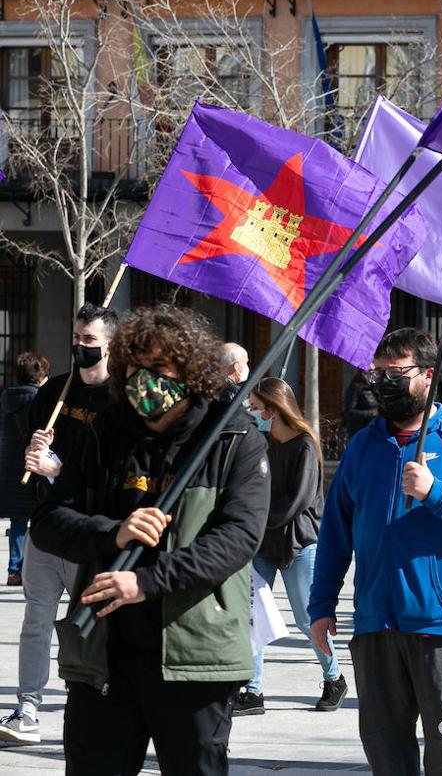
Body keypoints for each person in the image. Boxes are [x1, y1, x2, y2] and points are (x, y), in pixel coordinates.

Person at [26, 304, 269, 773]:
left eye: (160, 369)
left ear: (191, 371)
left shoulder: (233, 438)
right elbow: (49, 519)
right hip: (103, 655)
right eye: (135, 369)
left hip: (193, 657)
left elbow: (238, 539)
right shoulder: (104, 432)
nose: (146, 381)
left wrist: (147, 582)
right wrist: (111, 534)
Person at [309, 327, 442, 776]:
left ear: (427, 375)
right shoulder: (364, 446)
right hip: (375, 625)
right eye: (376, 372)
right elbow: (336, 534)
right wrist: (321, 605)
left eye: (394, 372)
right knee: (385, 752)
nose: (382, 382)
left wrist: (437, 492)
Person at [0, 304, 119, 746]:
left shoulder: (119, 399)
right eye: (76, 338)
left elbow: (106, 475)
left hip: (87, 533)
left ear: (110, 345)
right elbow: (35, 442)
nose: (80, 347)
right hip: (44, 527)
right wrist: (36, 445)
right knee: (36, 619)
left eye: (89, 340)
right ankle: (27, 706)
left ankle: (95, 698)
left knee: (87, 622)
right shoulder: (54, 391)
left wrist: (56, 469)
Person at [234, 377, 346, 716]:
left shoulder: (305, 446)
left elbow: (296, 501)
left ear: (273, 409)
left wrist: (254, 517)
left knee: (307, 618)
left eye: (254, 406)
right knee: (252, 614)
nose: (250, 411)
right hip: (263, 542)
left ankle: (334, 678)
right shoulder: (261, 443)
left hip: (300, 542)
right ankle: (252, 690)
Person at [1, 352, 48, 586]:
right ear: (41, 377)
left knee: (18, 521)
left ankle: (14, 571)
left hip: (11, 468)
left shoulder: (6, 399)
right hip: (36, 464)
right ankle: (37, 572)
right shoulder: (41, 399)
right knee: (42, 517)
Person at [342, 370, 379, 440]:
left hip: (373, 430)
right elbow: (349, 411)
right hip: (359, 431)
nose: (373, 374)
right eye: (370, 371)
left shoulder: (373, 387)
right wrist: (372, 413)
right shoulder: (356, 386)